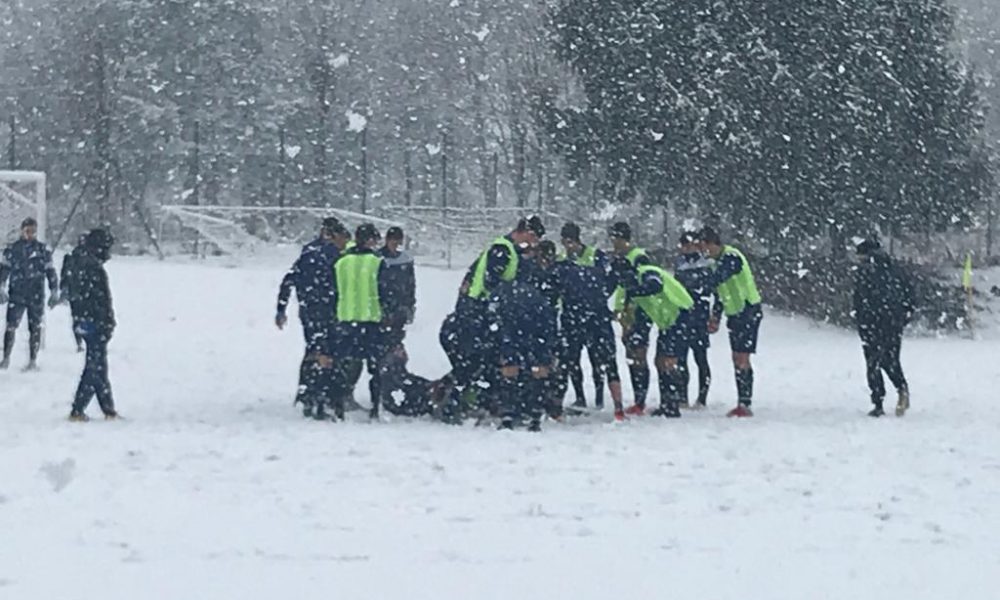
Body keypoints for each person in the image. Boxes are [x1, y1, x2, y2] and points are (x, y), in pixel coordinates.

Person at [275, 217, 350, 418]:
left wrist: (281, 308)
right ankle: (326, 399)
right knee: (329, 354)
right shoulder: (335, 256)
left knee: (312, 351)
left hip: (308, 310)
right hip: (329, 311)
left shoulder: (308, 252)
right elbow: (338, 285)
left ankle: (307, 394)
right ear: (333, 235)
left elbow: (289, 279)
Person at [318, 224, 390, 420]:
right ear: (370, 240)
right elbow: (386, 292)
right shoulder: (377, 262)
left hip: (345, 321)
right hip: (371, 321)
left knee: (341, 366)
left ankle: (339, 406)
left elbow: (331, 292)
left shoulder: (341, 263)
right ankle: (375, 408)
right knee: (374, 369)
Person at [555, 222, 625, 419]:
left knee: (604, 360)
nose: (569, 246)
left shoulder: (597, 256)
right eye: (565, 242)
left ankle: (607, 400)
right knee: (571, 361)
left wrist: (599, 297)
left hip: (596, 318)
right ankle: (579, 397)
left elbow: (612, 280)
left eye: (571, 241)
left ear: (578, 240)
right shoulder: (561, 261)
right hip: (572, 318)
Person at [484, 260, 559, 431]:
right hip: (536, 337)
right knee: (537, 373)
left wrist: (497, 338)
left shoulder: (501, 291)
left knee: (509, 371)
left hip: (510, 336)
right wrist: (548, 345)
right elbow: (549, 320)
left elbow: (491, 315)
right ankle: (535, 415)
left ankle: (508, 414)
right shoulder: (539, 295)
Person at [618, 254, 694, 417]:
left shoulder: (646, 271)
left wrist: (633, 291)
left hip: (681, 315)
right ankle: (667, 403)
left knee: (668, 362)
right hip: (669, 322)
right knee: (660, 361)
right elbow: (640, 315)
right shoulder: (635, 289)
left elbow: (655, 285)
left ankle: (672, 404)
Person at [701, 227, 763, 417]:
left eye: (705, 247)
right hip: (734, 313)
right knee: (736, 357)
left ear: (714, 243)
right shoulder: (715, 264)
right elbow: (719, 292)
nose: (705, 252)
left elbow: (720, 277)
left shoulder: (732, 256)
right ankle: (742, 401)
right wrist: (716, 315)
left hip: (748, 310)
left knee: (742, 357)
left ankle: (745, 403)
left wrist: (700, 283)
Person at [853, 238, 913, 417]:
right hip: (892, 322)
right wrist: (904, 315)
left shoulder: (866, 271)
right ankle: (901, 389)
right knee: (890, 359)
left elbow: (860, 298)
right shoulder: (895, 269)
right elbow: (909, 294)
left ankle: (878, 402)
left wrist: (860, 318)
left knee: (873, 363)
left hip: (872, 323)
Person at [67, 228, 119, 421]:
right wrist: (105, 322)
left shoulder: (80, 262)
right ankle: (78, 409)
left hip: (87, 321)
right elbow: (98, 300)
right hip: (94, 323)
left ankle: (108, 409)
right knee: (94, 367)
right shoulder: (92, 268)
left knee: (98, 365)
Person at [0, 217, 59, 371]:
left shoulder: (42, 251)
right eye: (27, 231)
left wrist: (54, 290)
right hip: (17, 293)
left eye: (33, 231)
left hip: (36, 295)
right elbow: (4, 271)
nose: (30, 234)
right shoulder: (13, 250)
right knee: (11, 326)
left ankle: (33, 360)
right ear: (22, 231)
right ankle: (6, 358)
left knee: (35, 327)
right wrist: (1, 287)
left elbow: (50, 271)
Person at [608, 222, 653, 415]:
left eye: (614, 239)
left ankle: (641, 400)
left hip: (640, 313)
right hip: (627, 313)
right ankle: (638, 398)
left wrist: (630, 310)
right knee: (631, 356)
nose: (613, 244)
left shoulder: (638, 258)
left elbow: (639, 287)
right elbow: (620, 288)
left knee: (638, 355)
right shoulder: (620, 259)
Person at [673, 231, 718, 409]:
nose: (686, 249)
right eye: (684, 245)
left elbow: (716, 291)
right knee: (681, 359)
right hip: (682, 317)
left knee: (701, 358)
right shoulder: (680, 263)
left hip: (700, 316)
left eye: (690, 245)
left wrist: (715, 314)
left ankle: (702, 398)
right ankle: (682, 396)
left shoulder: (708, 264)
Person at [377, 226, 416, 351]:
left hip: (400, 306)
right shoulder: (378, 258)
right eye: (394, 240)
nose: (396, 244)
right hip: (384, 307)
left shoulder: (405, 259)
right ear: (387, 240)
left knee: (396, 339)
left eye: (399, 241)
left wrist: (410, 304)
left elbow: (411, 284)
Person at [60, 234, 89, 352]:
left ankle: (81, 342)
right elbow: (65, 276)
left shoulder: (73, 258)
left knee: (79, 318)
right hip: (80, 292)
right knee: (81, 318)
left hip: (80, 293)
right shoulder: (72, 258)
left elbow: (65, 276)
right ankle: (81, 342)